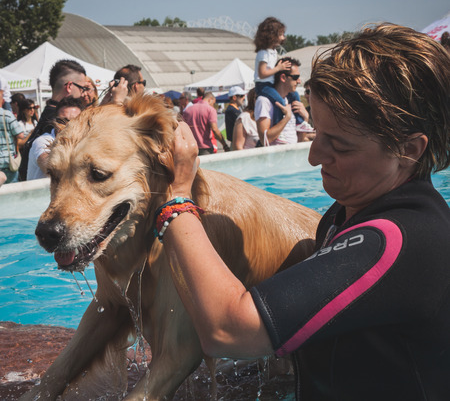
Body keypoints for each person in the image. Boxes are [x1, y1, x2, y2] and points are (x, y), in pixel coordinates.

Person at [155, 23, 450, 400]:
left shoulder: (393, 240)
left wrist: (178, 197)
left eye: (339, 147)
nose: (313, 157)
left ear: (410, 149)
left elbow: (228, 331)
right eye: (316, 132)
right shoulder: (351, 213)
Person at [18, 59, 89, 180]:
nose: (83, 94)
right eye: (82, 88)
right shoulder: (51, 122)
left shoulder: (49, 114)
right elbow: (52, 168)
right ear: (69, 86)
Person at [253, 16, 305, 127]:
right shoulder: (263, 53)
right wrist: (279, 68)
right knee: (280, 103)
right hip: (263, 85)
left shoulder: (273, 51)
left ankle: (300, 123)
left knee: (294, 95)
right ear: (272, 35)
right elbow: (262, 74)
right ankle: (277, 125)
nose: (283, 37)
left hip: (270, 84)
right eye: (281, 34)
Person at [255, 57, 311, 145]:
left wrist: (305, 118)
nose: (299, 81)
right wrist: (286, 118)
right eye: (295, 77)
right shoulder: (264, 101)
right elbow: (265, 140)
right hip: (276, 158)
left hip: (292, 156)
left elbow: (299, 140)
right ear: (283, 77)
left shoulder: (291, 101)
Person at [27, 97, 83, 181]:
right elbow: (52, 170)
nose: (67, 125)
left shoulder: (81, 142)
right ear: (54, 120)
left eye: (74, 121)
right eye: (62, 121)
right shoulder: (42, 141)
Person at [0, 97, 25, 184]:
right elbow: (20, 135)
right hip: (8, 162)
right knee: (13, 195)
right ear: (3, 101)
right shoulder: (7, 115)